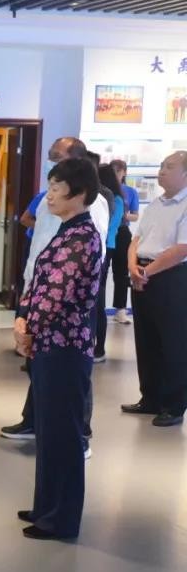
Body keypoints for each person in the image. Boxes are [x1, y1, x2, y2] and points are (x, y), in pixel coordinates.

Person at [14, 157, 103, 540]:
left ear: (79, 194)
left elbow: (57, 294)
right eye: (49, 187)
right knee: (48, 431)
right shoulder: (66, 231)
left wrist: (27, 328)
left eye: (56, 188)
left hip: (65, 347)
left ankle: (61, 519)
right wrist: (22, 318)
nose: (48, 195)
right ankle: (45, 506)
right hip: (48, 343)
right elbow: (38, 283)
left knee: (63, 435)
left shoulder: (83, 237)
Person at [0, 137, 108, 443]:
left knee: (67, 395)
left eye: (56, 156)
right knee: (42, 379)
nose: (50, 194)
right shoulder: (51, 206)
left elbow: (71, 276)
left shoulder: (90, 217)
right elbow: (41, 248)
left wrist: (28, 326)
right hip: (39, 298)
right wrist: (24, 312)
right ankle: (34, 421)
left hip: (65, 322)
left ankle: (80, 434)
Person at [121, 151, 187, 427]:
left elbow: (181, 249)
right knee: (146, 339)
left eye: (169, 167)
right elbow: (136, 239)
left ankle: (173, 405)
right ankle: (150, 398)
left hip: (171, 277)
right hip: (143, 274)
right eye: (161, 165)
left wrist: (147, 272)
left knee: (173, 342)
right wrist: (133, 266)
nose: (161, 171)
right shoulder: (156, 204)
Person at [94, 164, 125, 362]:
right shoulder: (100, 196)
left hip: (106, 247)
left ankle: (99, 348)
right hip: (100, 246)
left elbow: (110, 227)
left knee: (99, 296)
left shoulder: (114, 199)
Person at [110, 159, 140, 324]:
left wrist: (125, 215)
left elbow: (135, 215)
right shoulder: (106, 190)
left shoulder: (130, 191)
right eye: (113, 171)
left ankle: (120, 309)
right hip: (107, 231)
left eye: (118, 171)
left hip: (122, 232)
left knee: (121, 271)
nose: (115, 174)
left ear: (124, 172)